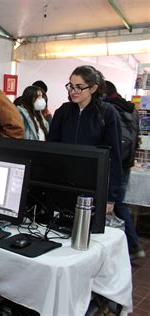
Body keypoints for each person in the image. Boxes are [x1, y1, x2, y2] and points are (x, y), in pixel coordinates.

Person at [48, 65, 122, 215]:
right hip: (63, 183)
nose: (73, 91)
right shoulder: (63, 111)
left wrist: (110, 197)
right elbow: (51, 148)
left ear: (93, 89)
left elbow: (114, 156)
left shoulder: (107, 113)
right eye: (71, 86)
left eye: (79, 87)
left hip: (92, 186)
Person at [104, 80, 145, 259]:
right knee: (119, 202)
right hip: (127, 162)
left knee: (115, 203)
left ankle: (133, 245)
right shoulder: (131, 109)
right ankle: (133, 245)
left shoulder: (108, 109)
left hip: (113, 163)